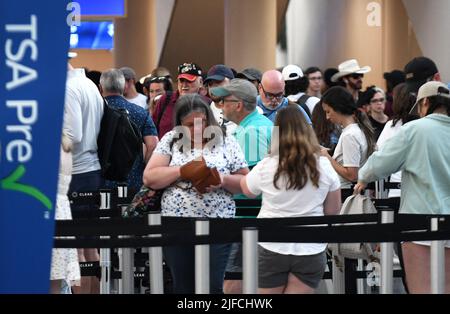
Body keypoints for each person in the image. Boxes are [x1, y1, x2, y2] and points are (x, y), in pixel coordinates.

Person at [143, 94, 249, 294]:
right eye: (190, 125)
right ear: (180, 124)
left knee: (212, 286)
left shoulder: (226, 140)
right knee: (183, 286)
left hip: (218, 223)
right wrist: (183, 170)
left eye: (202, 122)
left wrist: (222, 180)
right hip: (177, 223)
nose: (197, 129)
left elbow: (245, 182)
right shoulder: (171, 139)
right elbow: (150, 177)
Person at [355, 81, 450, 294]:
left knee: (421, 287)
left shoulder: (415, 129)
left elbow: (380, 163)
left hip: (418, 217)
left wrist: (363, 177)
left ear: (426, 102)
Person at [240, 105, 341, 294]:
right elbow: (333, 210)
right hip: (310, 246)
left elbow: (247, 190)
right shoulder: (324, 166)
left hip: (271, 243)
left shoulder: (267, 165)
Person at [210, 79, 273, 294]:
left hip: (247, 219)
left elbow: (251, 183)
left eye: (224, 101)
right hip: (258, 219)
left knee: (233, 281)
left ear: (237, 105)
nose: (220, 105)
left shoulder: (250, 132)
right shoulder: (261, 125)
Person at [65, 64, 104, 294]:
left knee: (77, 250)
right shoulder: (89, 84)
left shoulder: (70, 88)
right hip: (92, 170)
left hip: (76, 174)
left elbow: (74, 135)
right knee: (90, 248)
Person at [99, 69, 159, 192]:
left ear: (100, 88)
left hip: (101, 179)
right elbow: (153, 144)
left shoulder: (95, 112)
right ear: (123, 87)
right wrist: (142, 169)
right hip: (133, 180)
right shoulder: (140, 112)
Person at [320, 86, 375, 197]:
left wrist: (328, 158)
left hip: (346, 193)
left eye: (328, 111)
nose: (327, 117)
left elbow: (352, 175)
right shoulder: (357, 130)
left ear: (338, 108)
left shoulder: (349, 135)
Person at [50, 132, 80, 294]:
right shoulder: (62, 141)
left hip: (45, 213)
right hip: (59, 212)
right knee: (56, 281)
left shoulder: (45, 144)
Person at [376, 83, 418, 197]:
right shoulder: (425, 125)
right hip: (421, 191)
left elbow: (379, 156)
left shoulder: (391, 126)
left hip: (396, 189)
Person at [152, 62, 207, 138]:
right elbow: (152, 129)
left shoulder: (207, 103)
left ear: (200, 82)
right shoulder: (165, 100)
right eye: (181, 81)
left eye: (189, 81)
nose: (184, 85)